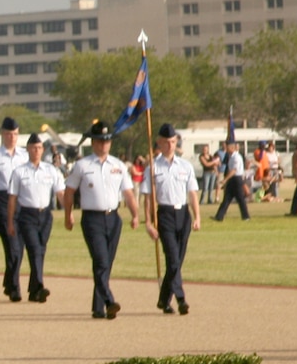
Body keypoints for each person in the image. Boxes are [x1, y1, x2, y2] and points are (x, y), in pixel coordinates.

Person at [62, 120, 139, 320]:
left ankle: (98, 307)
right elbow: (69, 192)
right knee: (101, 260)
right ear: (93, 142)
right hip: (92, 218)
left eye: (106, 141)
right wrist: (68, 214)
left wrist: (135, 214)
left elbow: (129, 194)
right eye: (99, 141)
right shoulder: (82, 165)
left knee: (106, 264)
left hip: (113, 217)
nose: (103, 145)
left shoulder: (118, 165)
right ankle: (109, 300)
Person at [144, 124, 201, 315]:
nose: (169, 145)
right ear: (159, 142)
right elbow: (148, 197)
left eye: (173, 142)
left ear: (176, 142)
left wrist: (197, 216)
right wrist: (149, 222)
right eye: (166, 142)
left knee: (177, 261)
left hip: (183, 214)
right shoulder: (153, 167)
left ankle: (163, 300)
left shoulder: (185, 166)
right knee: (173, 259)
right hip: (165, 214)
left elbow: (192, 193)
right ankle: (181, 298)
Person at [0, 136, 62, 304]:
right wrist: (10, 221)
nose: (36, 151)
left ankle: (34, 290)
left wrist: (69, 211)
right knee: (34, 249)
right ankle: (39, 286)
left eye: (40, 148)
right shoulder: (19, 172)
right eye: (33, 147)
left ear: (43, 150)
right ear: (27, 149)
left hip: (45, 215)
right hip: (27, 215)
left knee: (40, 250)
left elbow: (60, 193)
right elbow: (12, 199)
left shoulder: (50, 170)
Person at [0, 118, 29, 301]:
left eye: (15, 134)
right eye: (9, 134)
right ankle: (14, 287)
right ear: (3, 134)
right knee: (12, 246)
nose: (12, 137)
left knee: (19, 248)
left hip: (21, 202)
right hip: (2, 200)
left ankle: (10, 283)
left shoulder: (24, 156)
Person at [213, 139, 251, 221]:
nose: (226, 148)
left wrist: (225, 180)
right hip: (232, 179)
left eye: (227, 147)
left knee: (240, 199)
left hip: (236, 179)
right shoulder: (231, 157)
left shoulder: (236, 157)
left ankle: (246, 216)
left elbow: (234, 170)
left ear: (232, 148)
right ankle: (219, 216)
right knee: (227, 198)